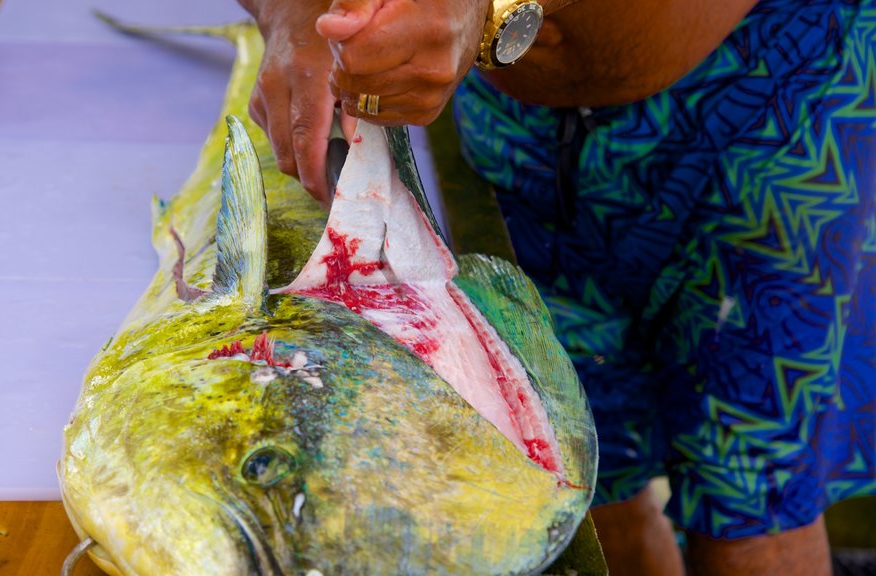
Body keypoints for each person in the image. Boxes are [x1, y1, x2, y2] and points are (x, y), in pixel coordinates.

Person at [235, 0, 876, 574]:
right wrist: (293, 14)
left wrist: (493, 4)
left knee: (755, 501)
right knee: (576, 473)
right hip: (523, 131)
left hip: (769, 104)